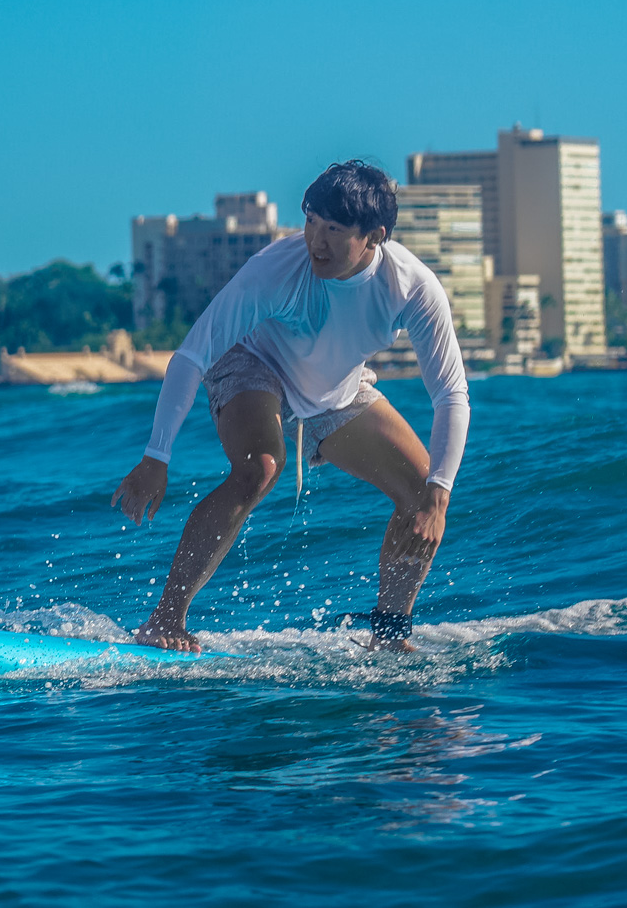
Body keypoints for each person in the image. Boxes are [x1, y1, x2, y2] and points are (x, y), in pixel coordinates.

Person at [111, 161, 470, 653]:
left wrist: (439, 497)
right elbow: (192, 355)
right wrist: (157, 456)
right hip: (252, 360)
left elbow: (451, 393)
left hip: (335, 389)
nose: (316, 241)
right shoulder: (275, 270)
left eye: (334, 230)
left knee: (421, 490)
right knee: (260, 467)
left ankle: (389, 636)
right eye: (311, 221)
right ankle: (165, 620)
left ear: (374, 237)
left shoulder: (412, 286)